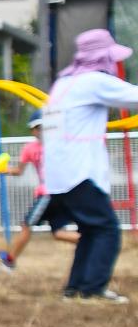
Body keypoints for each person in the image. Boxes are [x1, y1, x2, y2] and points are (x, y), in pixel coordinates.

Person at [39, 28, 138, 302]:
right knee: (106, 230)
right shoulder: (92, 81)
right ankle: (92, 290)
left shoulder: (63, 83)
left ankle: (75, 288)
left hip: (59, 174)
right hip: (79, 172)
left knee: (91, 230)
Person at [0, 116, 79, 270]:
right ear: (33, 130)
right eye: (38, 128)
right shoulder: (30, 148)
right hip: (53, 194)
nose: (41, 131)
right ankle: (92, 242)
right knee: (57, 233)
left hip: (50, 194)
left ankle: (9, 260)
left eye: (43, 127)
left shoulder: (60, 145)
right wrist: (4, 170)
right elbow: (18, 170)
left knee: (26, 225)